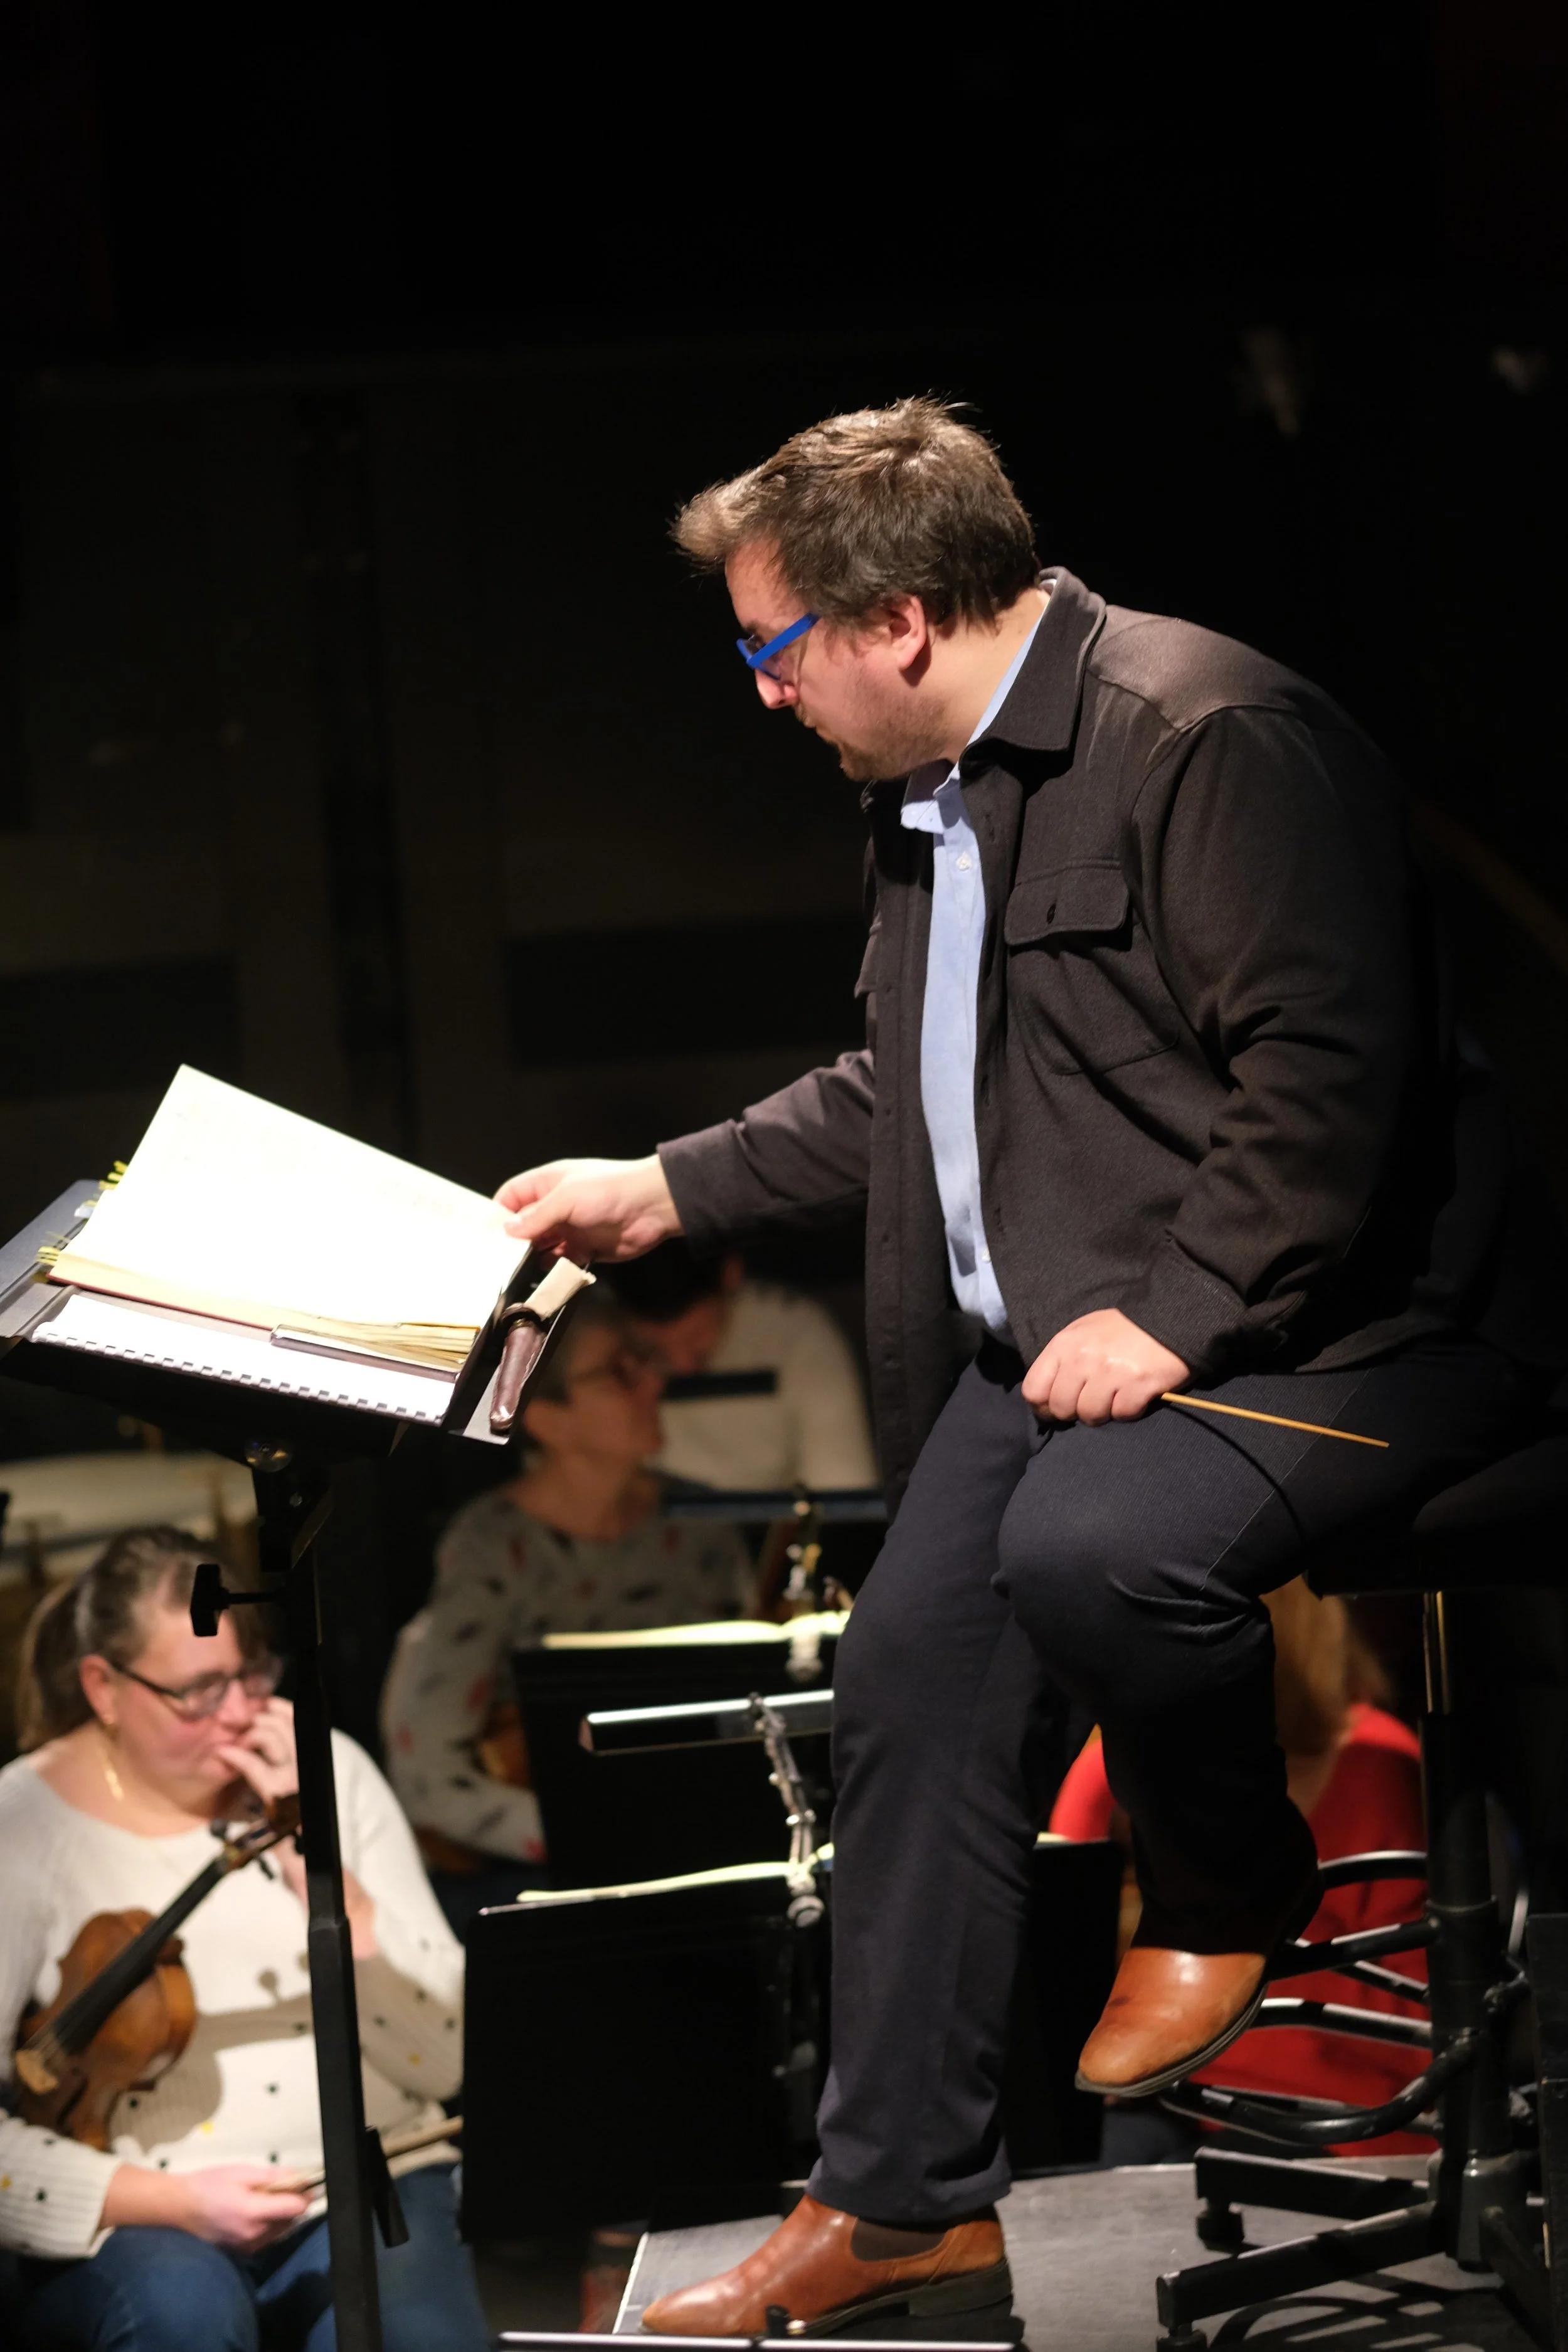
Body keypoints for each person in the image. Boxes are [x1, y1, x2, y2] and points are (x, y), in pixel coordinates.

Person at [494, 399, 1562, 2337]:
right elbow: (899, 1104)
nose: (760, 693)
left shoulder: (1203, 733)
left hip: (1356, 1326)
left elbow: (1331, 1085)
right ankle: (898, 2197)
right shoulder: (935, 793)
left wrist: (1169, 1314)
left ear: (895, 620)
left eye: (768, 648)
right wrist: (664, 1184)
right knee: (904, 1673)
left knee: (1086, 1551)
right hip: (1074, 1342)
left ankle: (1224, 1878)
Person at [0, 1527, 489, 2352]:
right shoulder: (24, 1820)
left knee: (417, 2336)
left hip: (371, 2177)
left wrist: (317, 1860)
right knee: (181, 2319)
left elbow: (450, 2062)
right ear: (104, 1686)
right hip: (141, 2214)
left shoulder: (325, 1769)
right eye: (196, 1690)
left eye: (247, 1676)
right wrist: (169, 2202)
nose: (234, 1715)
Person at [382, 1289, 755, 1924]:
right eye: (619, 1372)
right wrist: (608, 1838)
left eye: (644, 1360)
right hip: (546, 1870)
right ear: (547, 1420)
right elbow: (429, 1777)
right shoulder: (493, 1547)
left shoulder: (700, 1528)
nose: (653, 1383)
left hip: (694, 1855)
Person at [1051, 1577, 1429, 2161]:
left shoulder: (1378, 1761)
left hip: (1324, 2110)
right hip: (1172, 2091)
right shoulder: (1131, 1751)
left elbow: (1417, 2017)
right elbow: (1059, 1902)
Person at [609, 1241, 877, 1492]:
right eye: (654, 1350)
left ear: (731, 1275)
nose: (683, 1365)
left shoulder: (795, 1338)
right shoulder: (605, 1348)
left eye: (697, 1337)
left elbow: (842, 1490)